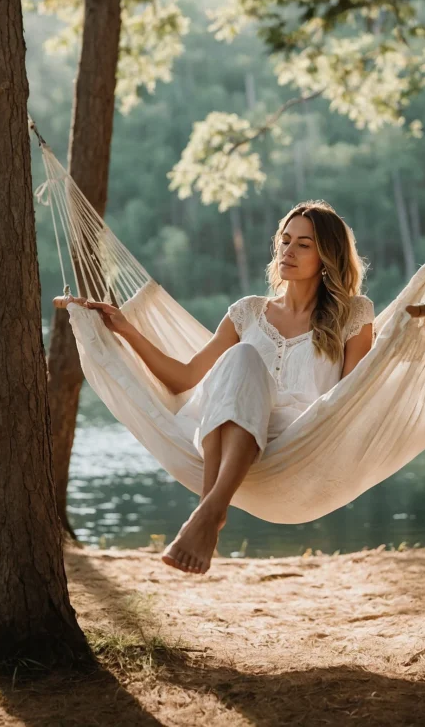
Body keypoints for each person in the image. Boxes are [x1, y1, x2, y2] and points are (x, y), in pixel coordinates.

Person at [70, 201, 375, 576]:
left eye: (304, 244)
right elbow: (183, 378)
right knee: (243, 356)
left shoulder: (353, 314)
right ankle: (211, 512)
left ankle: (209, 513)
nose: (288, 251)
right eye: (285, 240)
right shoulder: (247, 312)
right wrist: (127, 330)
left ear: (328, 255)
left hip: (300, 437)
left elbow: (352, 396)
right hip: (221, 424)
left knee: (244, 357)